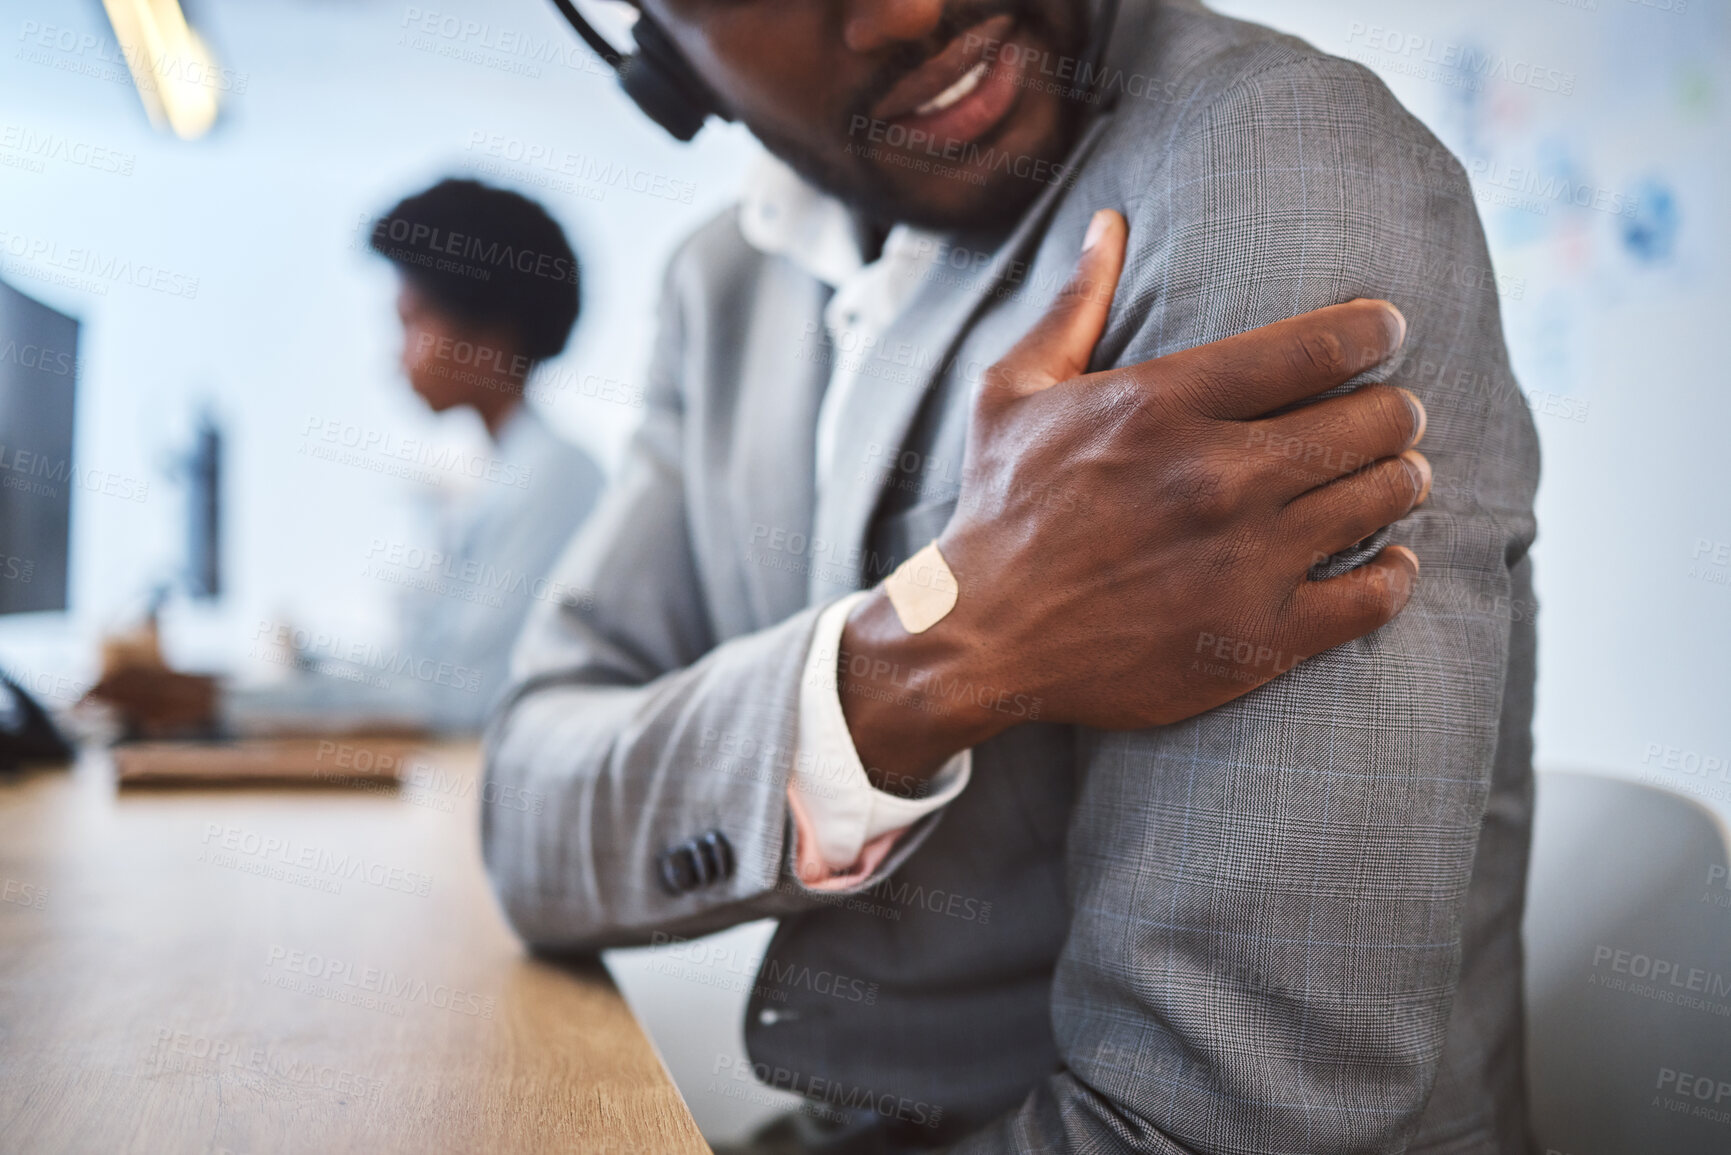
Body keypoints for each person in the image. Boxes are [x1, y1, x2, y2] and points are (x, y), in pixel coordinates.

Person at [485, 1, 1539, 1151]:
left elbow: (1222, 1128)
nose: (912, 8)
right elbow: (530, 806)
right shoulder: (724, 286)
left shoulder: (1272, 172)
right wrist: (922, 663)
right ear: (654, 51)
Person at [229, 179, 605, 735]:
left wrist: (228, 706)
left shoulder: (555, 478)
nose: (396, 357)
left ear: (492, 333)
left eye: (413, 322)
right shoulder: (501, 480)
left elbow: (459, 701)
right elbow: (423, 669)